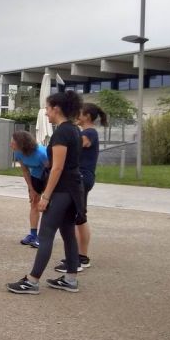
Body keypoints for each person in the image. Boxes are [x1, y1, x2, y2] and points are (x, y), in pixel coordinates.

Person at [8, 90, 85, 294]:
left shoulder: (61, 132)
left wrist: (46, 196)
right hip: (73, 189)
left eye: (48, 109)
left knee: (46, 233)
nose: (47, 113)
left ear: (56, 108)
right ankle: (70, 278)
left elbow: (57, 167)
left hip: (61, 190)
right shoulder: (75, 130)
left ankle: (32, 281)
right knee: (68, 233)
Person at [55, 102, 108, 273]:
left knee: (79, 217)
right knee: (78, 217)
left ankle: (81, 258)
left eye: (79, 113)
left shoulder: (89, 132)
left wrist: (63, 136)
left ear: (87, 116)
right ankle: (78, 256)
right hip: (82, 177)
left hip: (82, 178)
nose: (77, 116)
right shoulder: (85, 132)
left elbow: (76, 146)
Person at [11, 130, 49, 248]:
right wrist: (32, 189)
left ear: (21, 143)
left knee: (47, 206)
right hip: (35, 177)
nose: (10, 144)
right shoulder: (18, 152)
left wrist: (47, 194)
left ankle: (44, 237)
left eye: (13, 142)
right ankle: (33, 235)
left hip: (48, 176)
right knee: (34, 203)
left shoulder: (42, 153)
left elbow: (51, 171)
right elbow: (25, 171)